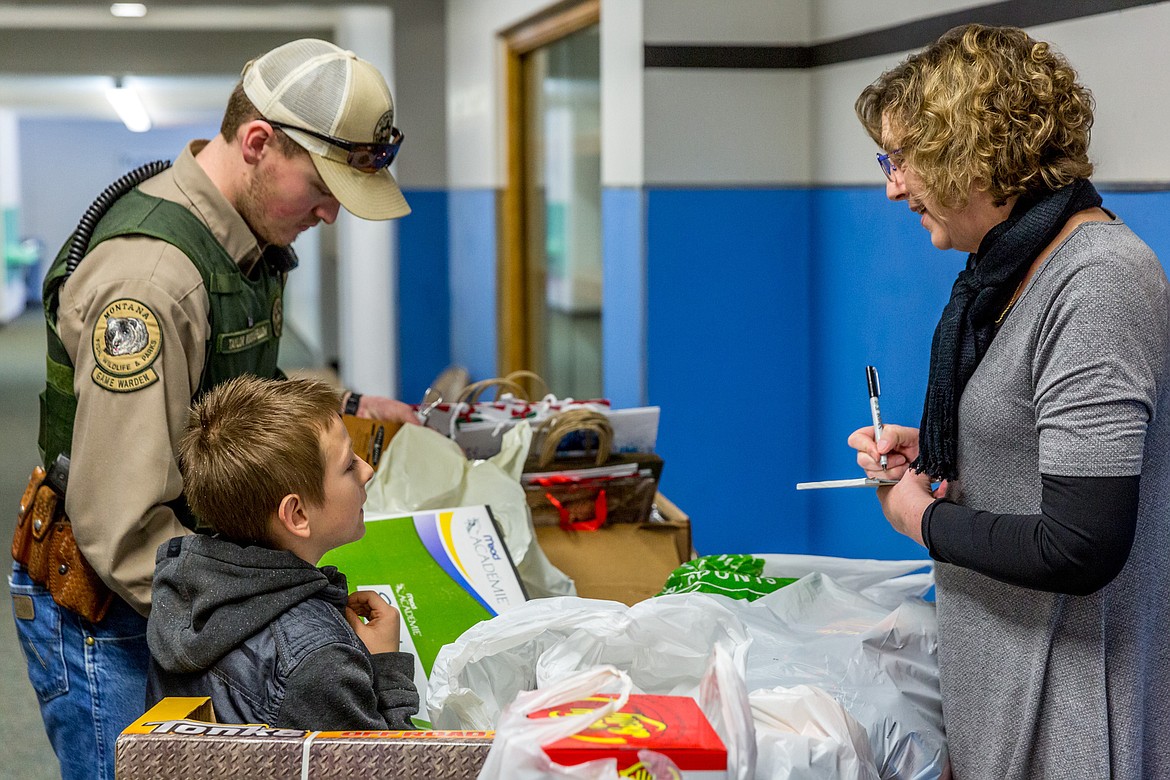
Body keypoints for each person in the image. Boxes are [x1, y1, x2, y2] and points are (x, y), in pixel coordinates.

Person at [9, 38, 419, 780]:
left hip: (186, 583)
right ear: (257, 142)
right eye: (322, 186)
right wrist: (282, 623)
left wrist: (348, 405)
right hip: (125, 607)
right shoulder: (153, 280)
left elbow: (222, 377)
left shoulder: (244, 241)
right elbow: (122, 521)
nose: (331, 213)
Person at [848, 24, 1170, 779]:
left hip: (1076, 712)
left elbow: (1081, 542)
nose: (892, 185)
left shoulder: (1097, 282)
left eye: (903, 159)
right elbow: (1037, 444)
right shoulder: (1011, 270)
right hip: (1002, 685)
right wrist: (934, 452)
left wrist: (921, 518)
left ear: (972, 151)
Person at [145, 375, 418, 730]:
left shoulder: (186, 588)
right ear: (297, 515)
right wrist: (386, 667)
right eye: (348, 465)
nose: (367, 470)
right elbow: (392, 767)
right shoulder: (318, 661)